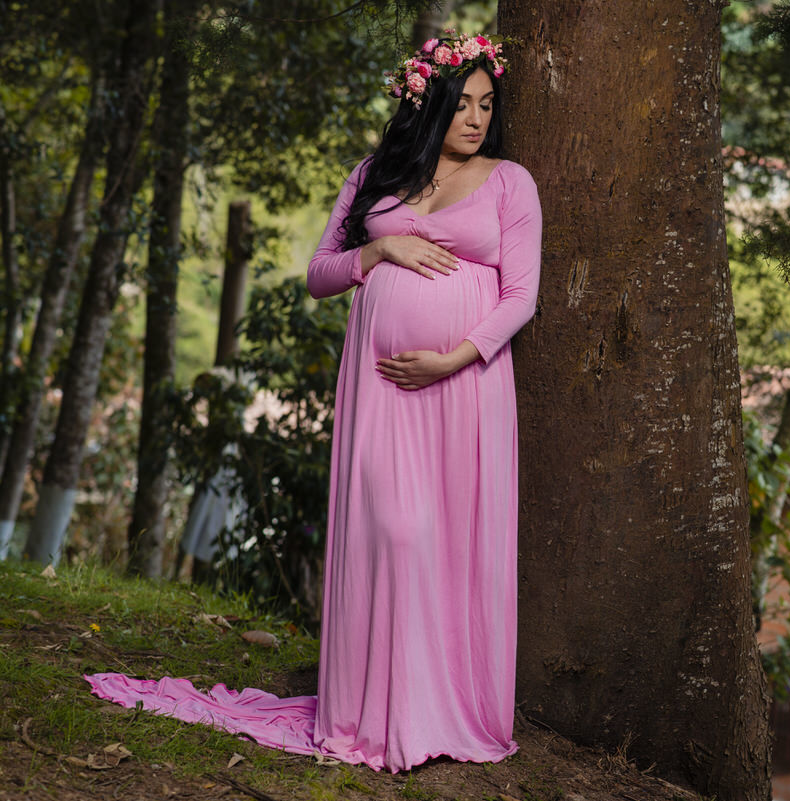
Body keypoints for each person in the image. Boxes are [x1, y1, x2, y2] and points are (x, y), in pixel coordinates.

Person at [85, 31, 542, 773]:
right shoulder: (374, 176)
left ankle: (434, 707)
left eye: (488, 105)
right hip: (384, 390)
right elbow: (322, 274)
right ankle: (376, 708)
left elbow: (522, 295)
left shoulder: (510, 183)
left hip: (465, 389)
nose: (477, 118)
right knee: (392, 531)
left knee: (444, 544)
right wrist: (380, 251)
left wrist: (454, 357)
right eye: (463, 104)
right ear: (427, 103)